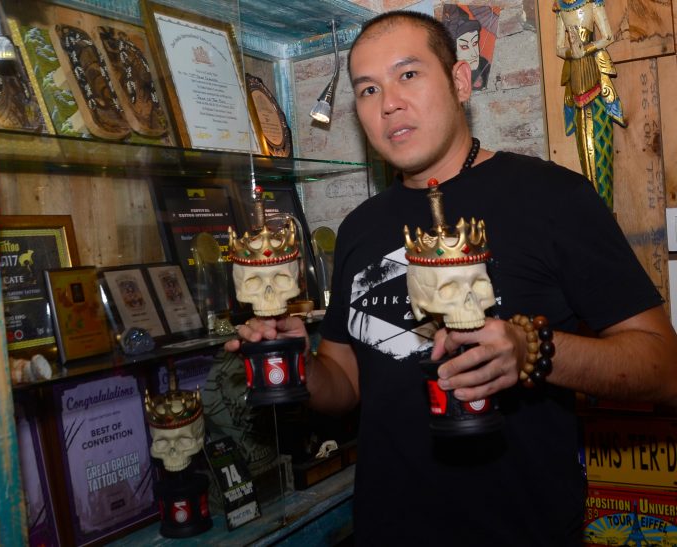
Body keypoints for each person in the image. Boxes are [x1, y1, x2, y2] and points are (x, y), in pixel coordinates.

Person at [226, 10, 677, 546]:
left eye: (408, 74)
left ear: (460, 81)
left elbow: (662, 367)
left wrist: (531, 350)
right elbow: (344, 383)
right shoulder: (358, 228)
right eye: (368, 89)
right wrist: (297, 361)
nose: (389, 102)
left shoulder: (553, 198)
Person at [555, 0, 626, 210]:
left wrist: (586, 49)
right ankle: (595, 210)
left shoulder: (592, 4)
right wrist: (572, 53)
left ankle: (605, 209)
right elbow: (559, 47)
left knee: (599, 148)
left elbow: (608, 37)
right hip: (576, 81)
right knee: (584, 150)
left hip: (593, 74)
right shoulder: (560, 8)